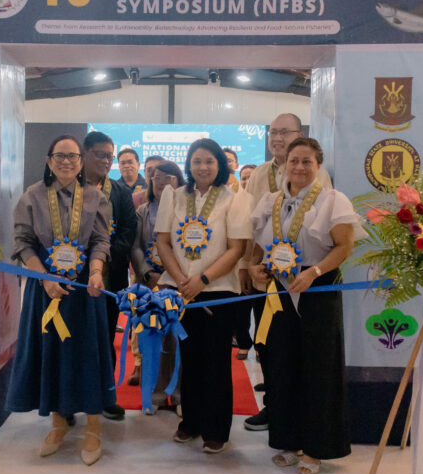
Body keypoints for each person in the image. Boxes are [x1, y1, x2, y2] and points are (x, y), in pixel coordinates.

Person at [248, 137, 359, 474]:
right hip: (279, 291)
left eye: (307, 161)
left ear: (318, 165)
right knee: (282, 367)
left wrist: (315, 272)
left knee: (318, 370)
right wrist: (254, 267)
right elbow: (258, 245)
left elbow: (344, 246)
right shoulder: (270, 201)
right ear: (284, 164)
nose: (299, 167)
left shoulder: (332, 200)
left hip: (317, 290)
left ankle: (316, 448)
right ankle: (289, 441)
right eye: (293, 160)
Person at [6, 134, 113, 466]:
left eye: (73, 156)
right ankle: (57, 424)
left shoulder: (96, 197)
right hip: (46, 289)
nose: (67, 162)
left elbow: (101, 241)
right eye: (60, 156)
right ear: (49, 161)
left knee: (88, 354)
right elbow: (22, 243)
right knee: (50, 352)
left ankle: (93, 427)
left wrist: (96, 271)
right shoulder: (32, 196)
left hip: (85, 289)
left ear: (81, 161)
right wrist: (44, 278)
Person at [155, 138, 253, 453]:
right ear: (189, 164)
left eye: (209, 161)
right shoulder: (174, 196)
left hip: (218, 292)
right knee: (190, 359)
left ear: (220, 164)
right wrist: (181, 280)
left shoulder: (234, 199)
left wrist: (204, 278)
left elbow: (236, 248)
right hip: (182, 291)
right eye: (196, 161)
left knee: (216, 363)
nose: (203, 167)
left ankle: (216, 429)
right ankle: (191, 422)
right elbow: (163, 241)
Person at [242, 114, 332, 431]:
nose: (277, 138)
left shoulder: (316, 173)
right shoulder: (260, 173)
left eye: (284, 132)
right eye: (273, 132)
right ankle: (274, 407)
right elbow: (252, 226)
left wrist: (313, 271)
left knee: (300, 349)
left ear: (299, 134)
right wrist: (249, 265)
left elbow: (325, 230)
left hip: (301, 281)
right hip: (266, 278)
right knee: (266, 343)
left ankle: (300, 412)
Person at [82, 131, 136, 421]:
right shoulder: (68, 189)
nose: (106, 161)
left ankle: (106, 396)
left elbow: (128, 231)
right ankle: (68, 401)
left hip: (110, 278)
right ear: (84, 155)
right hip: (74, 277)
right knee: (73, 339)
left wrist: (103, 257)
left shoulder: (120, 192)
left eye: (109, 156)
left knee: (104, 338)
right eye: (100, 155)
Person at [128, 159, 185, 405]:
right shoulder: (143, 210)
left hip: (179, 283)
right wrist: (147, 274)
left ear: (179, 180)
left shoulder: (187, 210)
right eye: (157, 177)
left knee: (178, 340)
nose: (162, 182)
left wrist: (175, 276)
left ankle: (180, 394)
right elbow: (136, 246)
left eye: (168, 178)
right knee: (152, 339)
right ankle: (156, 394)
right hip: (150, 283)